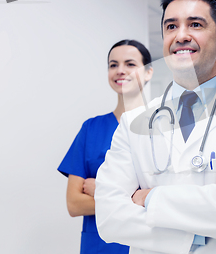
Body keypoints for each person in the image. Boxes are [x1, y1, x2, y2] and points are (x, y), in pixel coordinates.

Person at [94, 0, 216, 254]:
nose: (181, 35)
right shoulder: (133, 123)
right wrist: (199, 233)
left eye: (195, 24)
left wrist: (149, 197)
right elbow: (110, 217)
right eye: (171, 27)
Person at [58, 39, 154, 254]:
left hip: (148, 242)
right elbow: (74, 204)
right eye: (113, 65)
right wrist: (137, 197)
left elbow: (169, 195)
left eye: (130, 64)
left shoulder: (163, 127)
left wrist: (101, 189)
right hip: (100, 247)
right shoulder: (91, 128)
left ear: (148, 72)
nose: (120, 71)